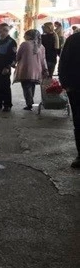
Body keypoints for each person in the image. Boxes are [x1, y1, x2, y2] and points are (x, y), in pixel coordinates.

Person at [58, 31, 80, 168]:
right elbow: (63, 61)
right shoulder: (74, 39)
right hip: (77, 88)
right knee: (79, 122)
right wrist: (66, 84)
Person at [14, 29, 48, 111]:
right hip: (37, 70)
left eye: (25, 35)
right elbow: (43, 60)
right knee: (31, 86)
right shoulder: (41, 46)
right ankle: (30, 101)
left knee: (26, 86)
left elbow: (18, 56)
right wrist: (45, 69)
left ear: (29, 36)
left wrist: (13, 61)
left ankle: (29, 103)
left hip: (25, 69)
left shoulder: (25, 44)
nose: (24, 36)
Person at [0, 23, 18, 112]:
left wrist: (7, 67)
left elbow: (12, 56)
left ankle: (7, 104)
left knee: (4, 86)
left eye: (5, 30)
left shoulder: (11, 42)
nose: (3, 32)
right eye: (1, 30)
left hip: (4, 68)